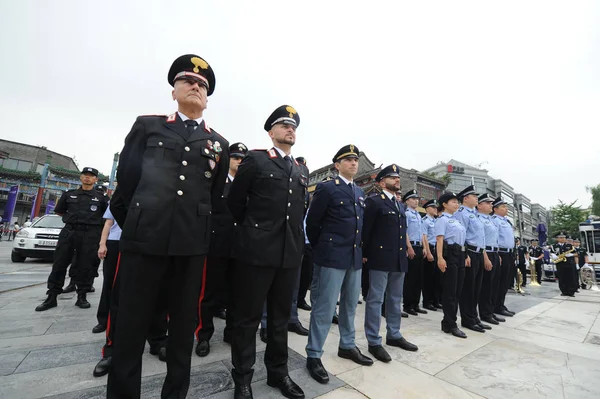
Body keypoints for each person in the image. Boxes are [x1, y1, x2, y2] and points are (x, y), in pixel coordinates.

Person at [107, 54, 229, 398]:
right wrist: (138, 226)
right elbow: (125, 187)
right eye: (188, 81)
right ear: (174, 90)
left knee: (181, 333)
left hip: (190, 250)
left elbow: (214, 199)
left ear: (207, 99)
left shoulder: (217, 143)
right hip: (143, 243)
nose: (196, 86)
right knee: (130, 329)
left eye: (203, 85)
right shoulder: (149, 126)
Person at [227, 105, 306, 399]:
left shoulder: (299, 169)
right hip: (256, 252)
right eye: (284, 125)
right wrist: (255, 233)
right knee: (247, 318)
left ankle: (278, 373)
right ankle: (243, 378)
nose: (290, 130)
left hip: (288, 254)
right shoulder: (256, 160)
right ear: (271, 132)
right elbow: (235, 204)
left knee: (279, 318)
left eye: (293, 127)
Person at [305, 144, 373, 384]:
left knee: (350, 306)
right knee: (324, 307)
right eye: (348, 160)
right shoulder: (327, 188)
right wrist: (322, 247)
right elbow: (312, 223)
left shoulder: (360, 193)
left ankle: (347, 344)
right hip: (331, 255)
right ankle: (314, 354)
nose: (354, 163)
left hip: (354, 257)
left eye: (355, 159)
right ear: (337, 165)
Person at [195, 142, 248, 358]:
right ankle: (204, 336)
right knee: (209, 294)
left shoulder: (247, 186)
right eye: (235, 158)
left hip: (239, 248)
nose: (239, 162)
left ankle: (231, 333)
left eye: (242, 159)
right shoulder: (216, 183)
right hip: (216, 245)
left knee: (237, 294)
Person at [362, 164, 418, 363]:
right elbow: (365, 231)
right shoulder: (374, 202)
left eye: (398, 177)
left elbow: (401, 233)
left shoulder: (400, 205)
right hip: (379, 258)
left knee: (395, 299)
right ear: (381, 181)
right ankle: (374, 341)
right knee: (376, 299)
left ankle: (394, 334)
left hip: (398, 258)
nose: (397, 180)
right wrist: (365, 253)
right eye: (392, 177)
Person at [35, 167, 108, 312]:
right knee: (59, 264)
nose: (87, 178)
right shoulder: (69, 195)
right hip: (69, 231)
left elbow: (106, 217)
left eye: (91, 176)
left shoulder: (101, 198)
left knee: (85, 265)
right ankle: (52, 297)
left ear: (96, 180)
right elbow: (60, 211)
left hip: (90, 234)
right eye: (85, 175)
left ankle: (81, 296)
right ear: (80, 177)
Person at [454, 185, 493, 334]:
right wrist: (465, 255)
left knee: (477, 287)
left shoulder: (475, 214)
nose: (477, 198)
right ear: (465, 198)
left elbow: (481, 238)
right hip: (469, 252)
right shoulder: (461, 213)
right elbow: (461, 235)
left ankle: (474, 316)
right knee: (468, 288)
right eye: (474, 196)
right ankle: (467, 319)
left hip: (478, 253)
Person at [435, 191, 468, 338]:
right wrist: (440, 258)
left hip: (460, 254)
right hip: (450, 255)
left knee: (458, 291)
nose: (457, 204)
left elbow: (462, 239)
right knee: (450, 291)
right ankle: (451, 323)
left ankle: (447, 322)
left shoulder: (457, 220)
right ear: (444, 204)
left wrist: (465, 255)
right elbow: (439, 240)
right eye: (453, 201)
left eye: (457, 202)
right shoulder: (442, 219)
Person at [93, 204, 121, 334]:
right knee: (109, 283)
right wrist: (102, 244)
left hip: (136, 244)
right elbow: (109, 224)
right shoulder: (117, 199)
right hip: (114, 243)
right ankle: (103, 320)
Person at [402, 189, 427, 316]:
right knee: (410, 278)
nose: (416, 201)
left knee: (418, 278)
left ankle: (416, 304)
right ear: (407, 201)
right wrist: (408, 247)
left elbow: (422, 233)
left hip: (419, 247)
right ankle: (408, 305)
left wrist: (424, 248)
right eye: (413, 199)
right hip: (411, 246)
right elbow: (404, 231)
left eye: (417, 199)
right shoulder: (406, 214)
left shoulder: (418, 215)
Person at [477, 193, 501, 326]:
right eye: (488, 203)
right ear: (479, 205)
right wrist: (486, 258)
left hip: (494, 253)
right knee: (486, 285)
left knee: (494, 285)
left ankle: (491, 311)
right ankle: (485, 313)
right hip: (486, 253)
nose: (491, 205)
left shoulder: (490, 219)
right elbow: (481, 240)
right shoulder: (479, 219)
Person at [492, 197, 516, 319]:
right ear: (495, 209)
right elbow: (494, 238)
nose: (506, 209)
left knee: (506, 281)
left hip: (509, 253)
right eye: (503, 207)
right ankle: (496, 306)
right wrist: (498, 254)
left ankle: (501, 304)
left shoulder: (506, 221)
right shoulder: (495, 220)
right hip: (501, 252)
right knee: (499, 281)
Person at [421, 199, 440, 311]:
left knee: (437, 277)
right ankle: (427, 301)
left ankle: (435, 300)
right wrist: (428, 252)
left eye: (436, 207)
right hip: (431, 248)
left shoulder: (436, 221)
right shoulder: (425, 221)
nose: (435, 209)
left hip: (437, 249)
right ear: (428, 208)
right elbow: (425, 237)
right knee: (428, 278)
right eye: (433, 207)